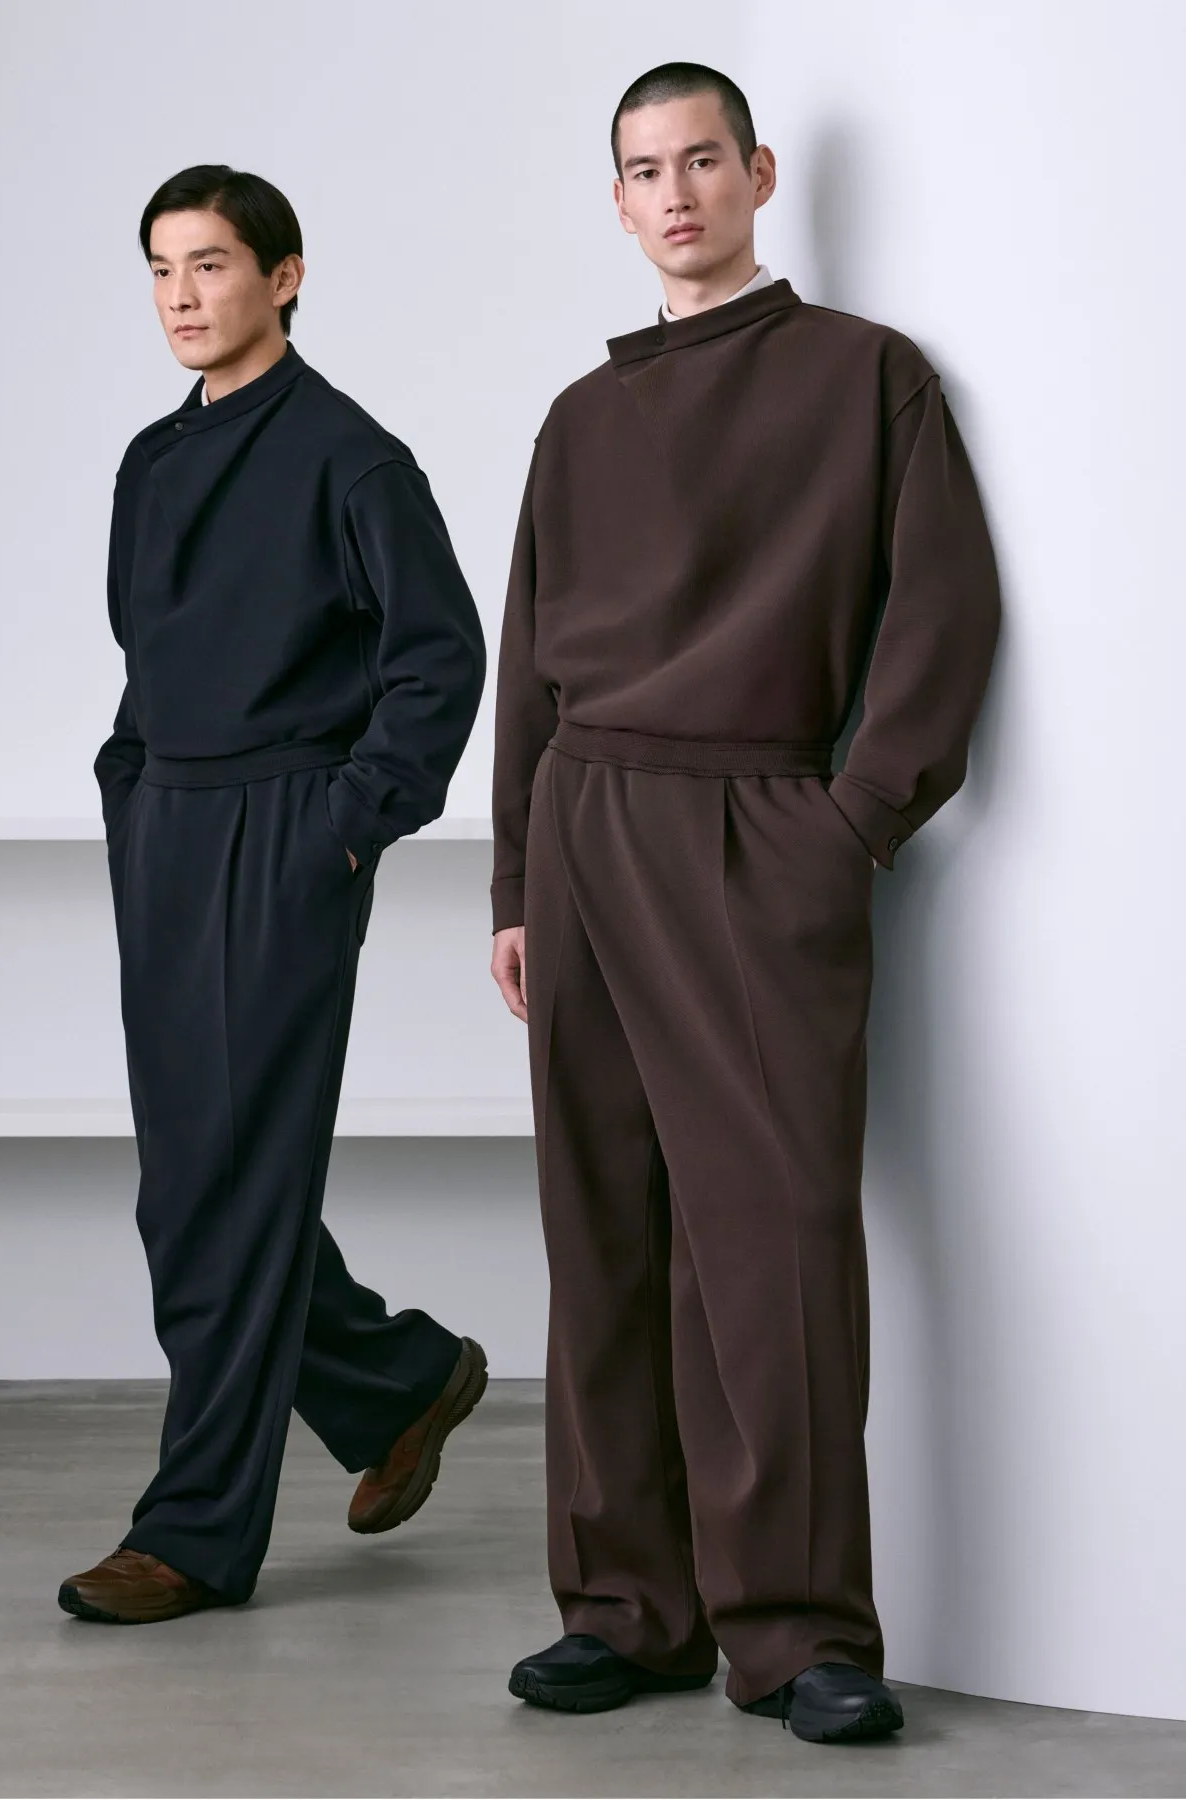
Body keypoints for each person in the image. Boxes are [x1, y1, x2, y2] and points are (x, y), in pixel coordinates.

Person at [490, 65, 1000, 1744]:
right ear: (618, 201)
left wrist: (848, 827)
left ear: (759, 174)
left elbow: (942, 613)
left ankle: (797, 1634)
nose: (678, 192)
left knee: (771, 1240)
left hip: (755, 826)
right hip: (585, 826)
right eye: (646, 170)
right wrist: (514, 879)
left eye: (703, 158)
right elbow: (529, 662)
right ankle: (625, 1606)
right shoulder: (580, 417)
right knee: (602, 1231)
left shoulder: (866, 376)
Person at [61, 166, 488, 1625]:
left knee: (226, 1186)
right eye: (162, 269)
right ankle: (399, 1380)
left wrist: (344, 828)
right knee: (195, 1186)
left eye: (212, 264)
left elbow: (440, 658)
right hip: (170, 829)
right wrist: (131, 789)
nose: (183, 295)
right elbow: (147, 653)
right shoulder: (149, 462)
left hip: (286, 833)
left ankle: (194, 1532)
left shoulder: (351, 458)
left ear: (284, 276)